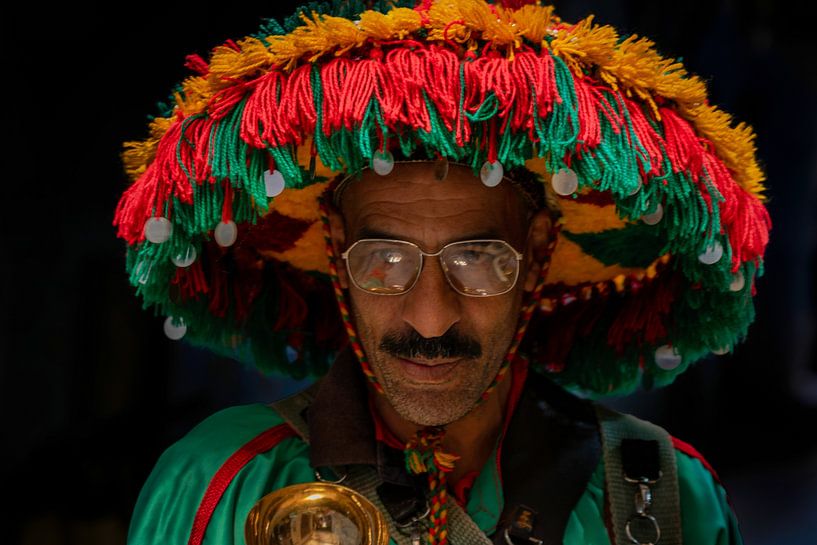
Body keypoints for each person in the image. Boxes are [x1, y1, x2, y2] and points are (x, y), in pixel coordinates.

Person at [114, 1, 771, 544]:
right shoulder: (216, 482)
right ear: (336, 251)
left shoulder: (660, 493)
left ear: (539, 252)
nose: (430, 317)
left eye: (480, 258)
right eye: (384, 260)